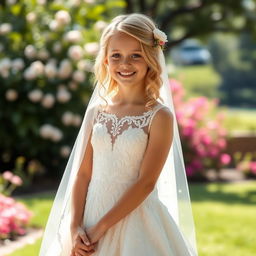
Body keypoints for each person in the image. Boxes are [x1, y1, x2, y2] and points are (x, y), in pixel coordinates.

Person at [39, 13, 198, 256]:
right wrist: (75, 228)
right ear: (105, 60)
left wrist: (100, 229)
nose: (125, 64)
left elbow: (146, 183)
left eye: (135, 55)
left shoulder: (159, 116)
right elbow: (82, 175)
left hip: (136, 221)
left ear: (150, 58)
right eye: (116, 56)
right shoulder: (96, 112)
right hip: (89, 216)